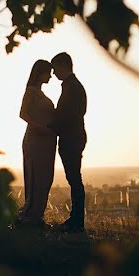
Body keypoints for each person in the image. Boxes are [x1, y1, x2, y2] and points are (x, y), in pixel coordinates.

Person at [16, 59, 57, 228]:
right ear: (40, 73)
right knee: (35, 178)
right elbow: (23, 114)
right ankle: (30, 217)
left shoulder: (39, 93)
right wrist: (41, 129)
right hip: (36, 141)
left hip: (46, 142)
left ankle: (36, 216)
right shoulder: (31, 92)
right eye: (48, 72)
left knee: (45, 178)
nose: (51, 76)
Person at [50, 52, 87, 232]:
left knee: (74, 179)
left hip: (71, 137)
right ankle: (76, 219)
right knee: (74, 178)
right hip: (74, 136)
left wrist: (51, 124)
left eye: (55, 68)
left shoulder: (72, 87)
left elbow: (67, 114)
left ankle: (77, 220)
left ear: (63, 66)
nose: (53, 73)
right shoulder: (73, 86)